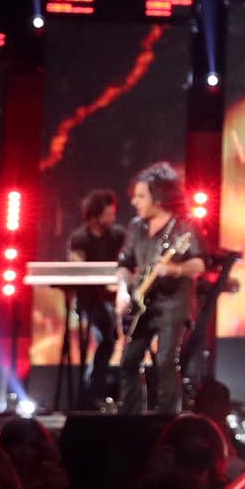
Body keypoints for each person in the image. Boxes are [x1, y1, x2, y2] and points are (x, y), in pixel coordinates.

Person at [113, 164, 205, 415]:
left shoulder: (183, 229)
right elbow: (124, 264)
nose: (134, 201)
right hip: (143, 304)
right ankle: (130, 416)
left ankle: (167, 420)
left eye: (141, 196)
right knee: (129, 361)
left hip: (173, 304)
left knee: (165, 361)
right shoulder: (136, 227)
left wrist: (174, 269)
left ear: (160, 197)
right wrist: (122, 290)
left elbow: (199, 263)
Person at [67, 190, 127, 408]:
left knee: (115, 337)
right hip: (89, 299)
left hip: (114, 297)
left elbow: (130, 258)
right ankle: (92, 390)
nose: (112, 219)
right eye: (108, 215)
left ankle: (106, 388)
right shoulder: (80, 238)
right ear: (94, 217)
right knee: (108, 337)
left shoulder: (119, 235)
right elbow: (77, 270)